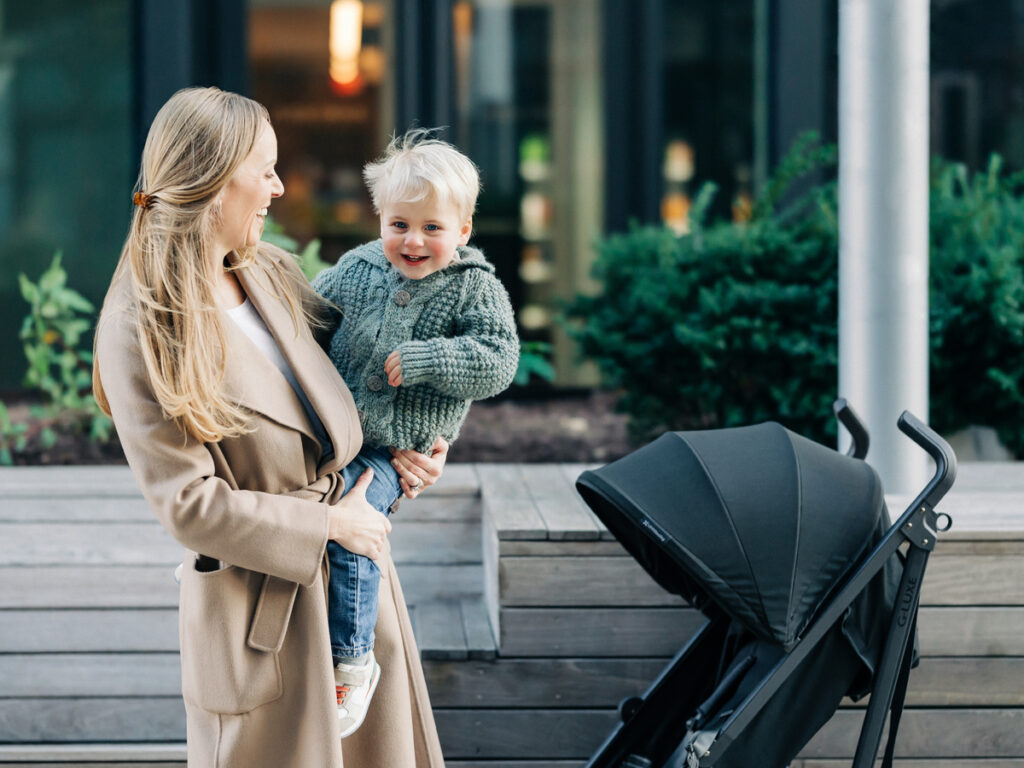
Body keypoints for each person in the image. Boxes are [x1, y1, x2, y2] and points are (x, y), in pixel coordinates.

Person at [91, 86, 447, 768]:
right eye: (266, 169)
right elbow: (188, 505)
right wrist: (332, 526)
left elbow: (363, 368)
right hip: (261, 630)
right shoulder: (140, 326)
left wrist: (418, 448)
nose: (281, 188)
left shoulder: (271, 272)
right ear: (215, 181)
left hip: (355, 597)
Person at [312, 130, 518, 735]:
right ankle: (231, 563)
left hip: (392, 452)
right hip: (337, 433)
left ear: (464, 230)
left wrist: (430, 359)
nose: (414, 240)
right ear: (380, 218)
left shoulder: (473, 286)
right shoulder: (356, 270)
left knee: (353, 531)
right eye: (400, 224)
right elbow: (307, 315)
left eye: (433, 227)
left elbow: (500, 360)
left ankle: (352, 660)